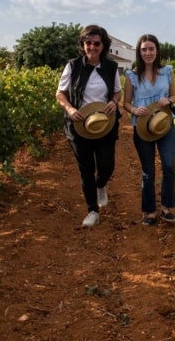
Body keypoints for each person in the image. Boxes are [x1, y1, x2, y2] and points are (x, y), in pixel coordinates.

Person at [56, 25, 122, 228]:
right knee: (86, 168)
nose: (92, 47)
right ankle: (92, 210)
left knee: (106, 165)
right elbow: (60, 93)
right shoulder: (73, 66)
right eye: (88, 43)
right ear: (83, 45)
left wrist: (114, 102)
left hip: (104, 123)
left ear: (103, 46)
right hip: (79, 125)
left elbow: (117, 92)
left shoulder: (111, 68)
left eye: (96, 43)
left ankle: (101, 184)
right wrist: (69, 109)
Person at [122, 34, 175, 226]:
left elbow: (174, 95)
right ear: (139, 52)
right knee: (148, 170)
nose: (148, 53)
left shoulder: (167, 72)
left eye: (151, 49)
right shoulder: (132, 76)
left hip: (164, 124)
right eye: (144, 49)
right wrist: (135, 109)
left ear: (157, 51)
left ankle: (167, 208)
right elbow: (126, 103)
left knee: (169, 166)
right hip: (142, 127)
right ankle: (149, 211)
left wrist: (168, 101)